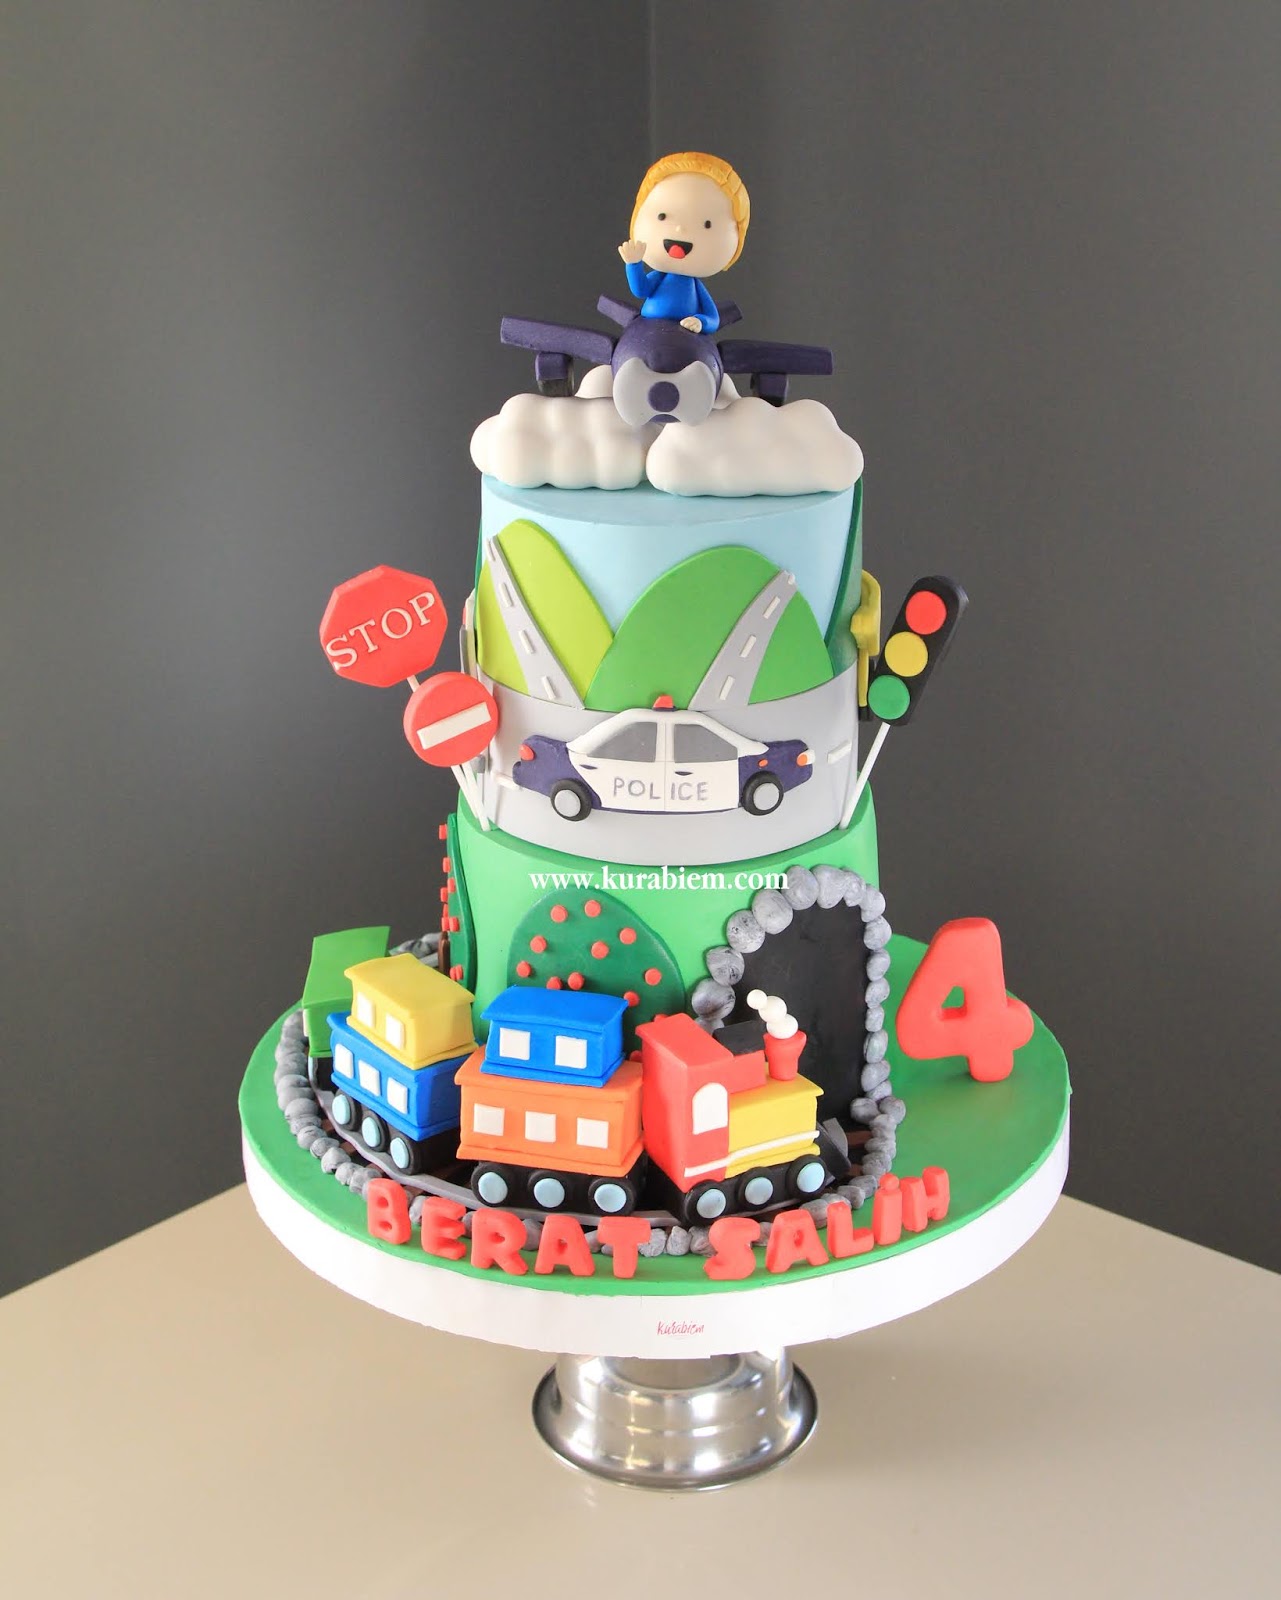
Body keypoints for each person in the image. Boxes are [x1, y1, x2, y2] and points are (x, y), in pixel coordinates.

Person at [618, 152, 750, 334]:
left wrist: (700, 321)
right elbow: (641, 290)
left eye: (707, 224)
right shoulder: (659, 278)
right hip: (647, 336)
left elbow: (713, 318)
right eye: (662, 216)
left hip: (686, 342)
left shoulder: (695, 288)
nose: (680, 229)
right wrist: (633, 265)